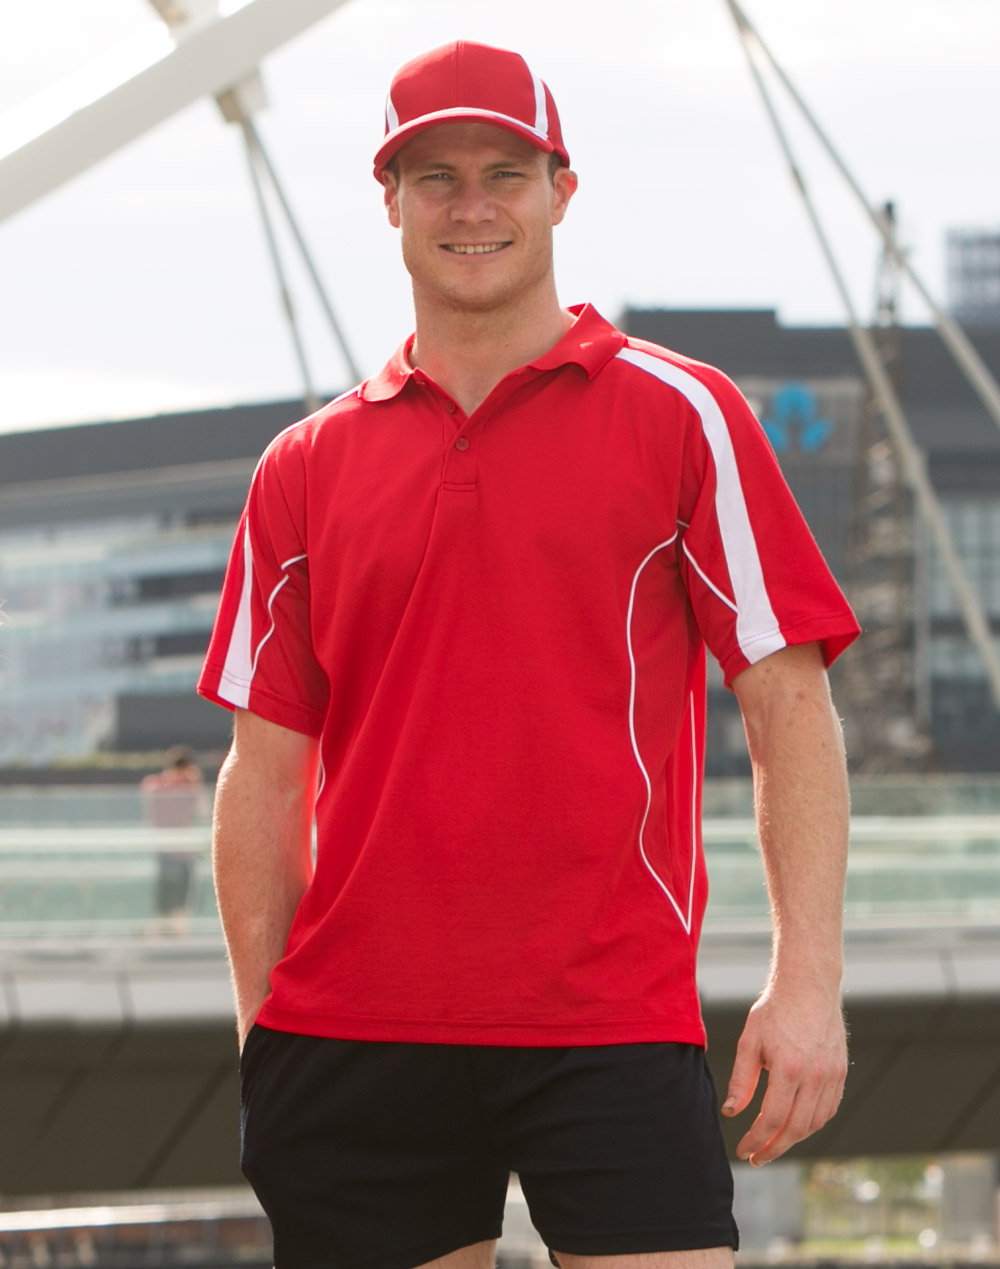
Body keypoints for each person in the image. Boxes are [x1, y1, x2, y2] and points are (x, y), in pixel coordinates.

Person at [198, 39, 859, 1269]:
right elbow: (263, 771)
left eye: (505, 172)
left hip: (607, 1018)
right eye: (435, 176)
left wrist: (807, 981)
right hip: (352, 1036)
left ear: (561, 190)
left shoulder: (684, 414)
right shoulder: (303, 466)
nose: (472, 206)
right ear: (389, 200)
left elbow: (788, 706)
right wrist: (265, 1033)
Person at [141, 743, 208, 932]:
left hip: (179, 853)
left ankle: (172, 936)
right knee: (167, 907)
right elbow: (204, 812)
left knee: (176, 906)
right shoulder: (160, 786)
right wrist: (194, 784)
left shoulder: (156, 785)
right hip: (170, 853)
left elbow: (203, 813)